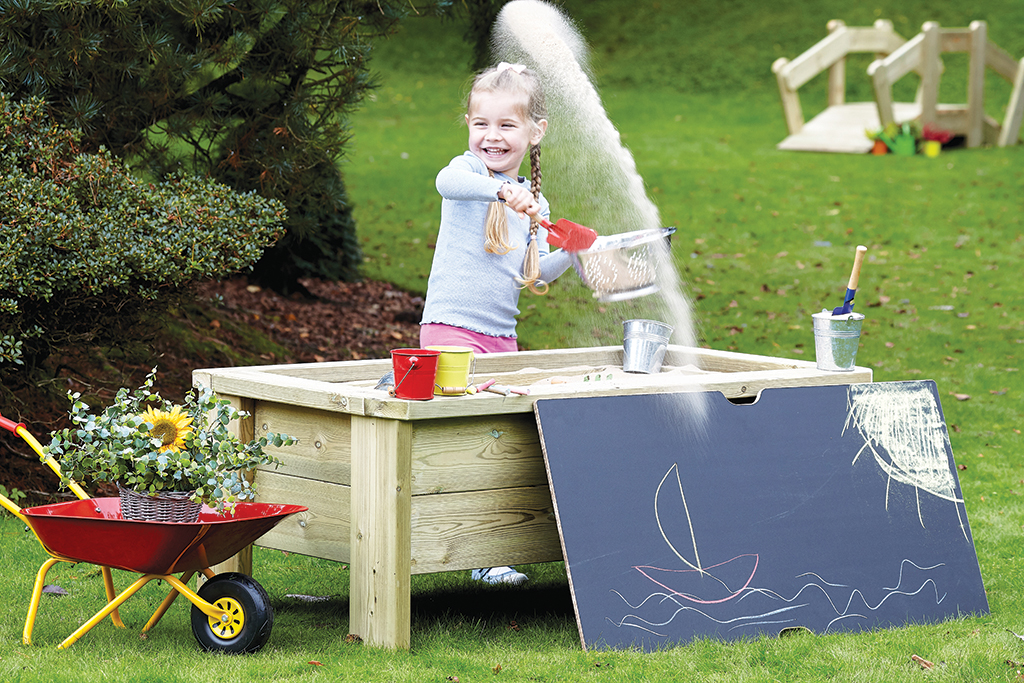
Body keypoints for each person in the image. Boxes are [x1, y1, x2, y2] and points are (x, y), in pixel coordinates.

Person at [420, 62, 573, 586]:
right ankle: (468, 547)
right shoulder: (467, 175)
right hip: (451, 328)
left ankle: (489, 544)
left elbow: (533, 271)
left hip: (501, 336)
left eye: (507, 125)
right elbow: (448, 182)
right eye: (481, 123)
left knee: (498, 440)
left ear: (536, 131)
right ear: (468, 124)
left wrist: (573, 252)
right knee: (466, 440)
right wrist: (501, 191)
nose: (492, 136)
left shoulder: (535, 203)